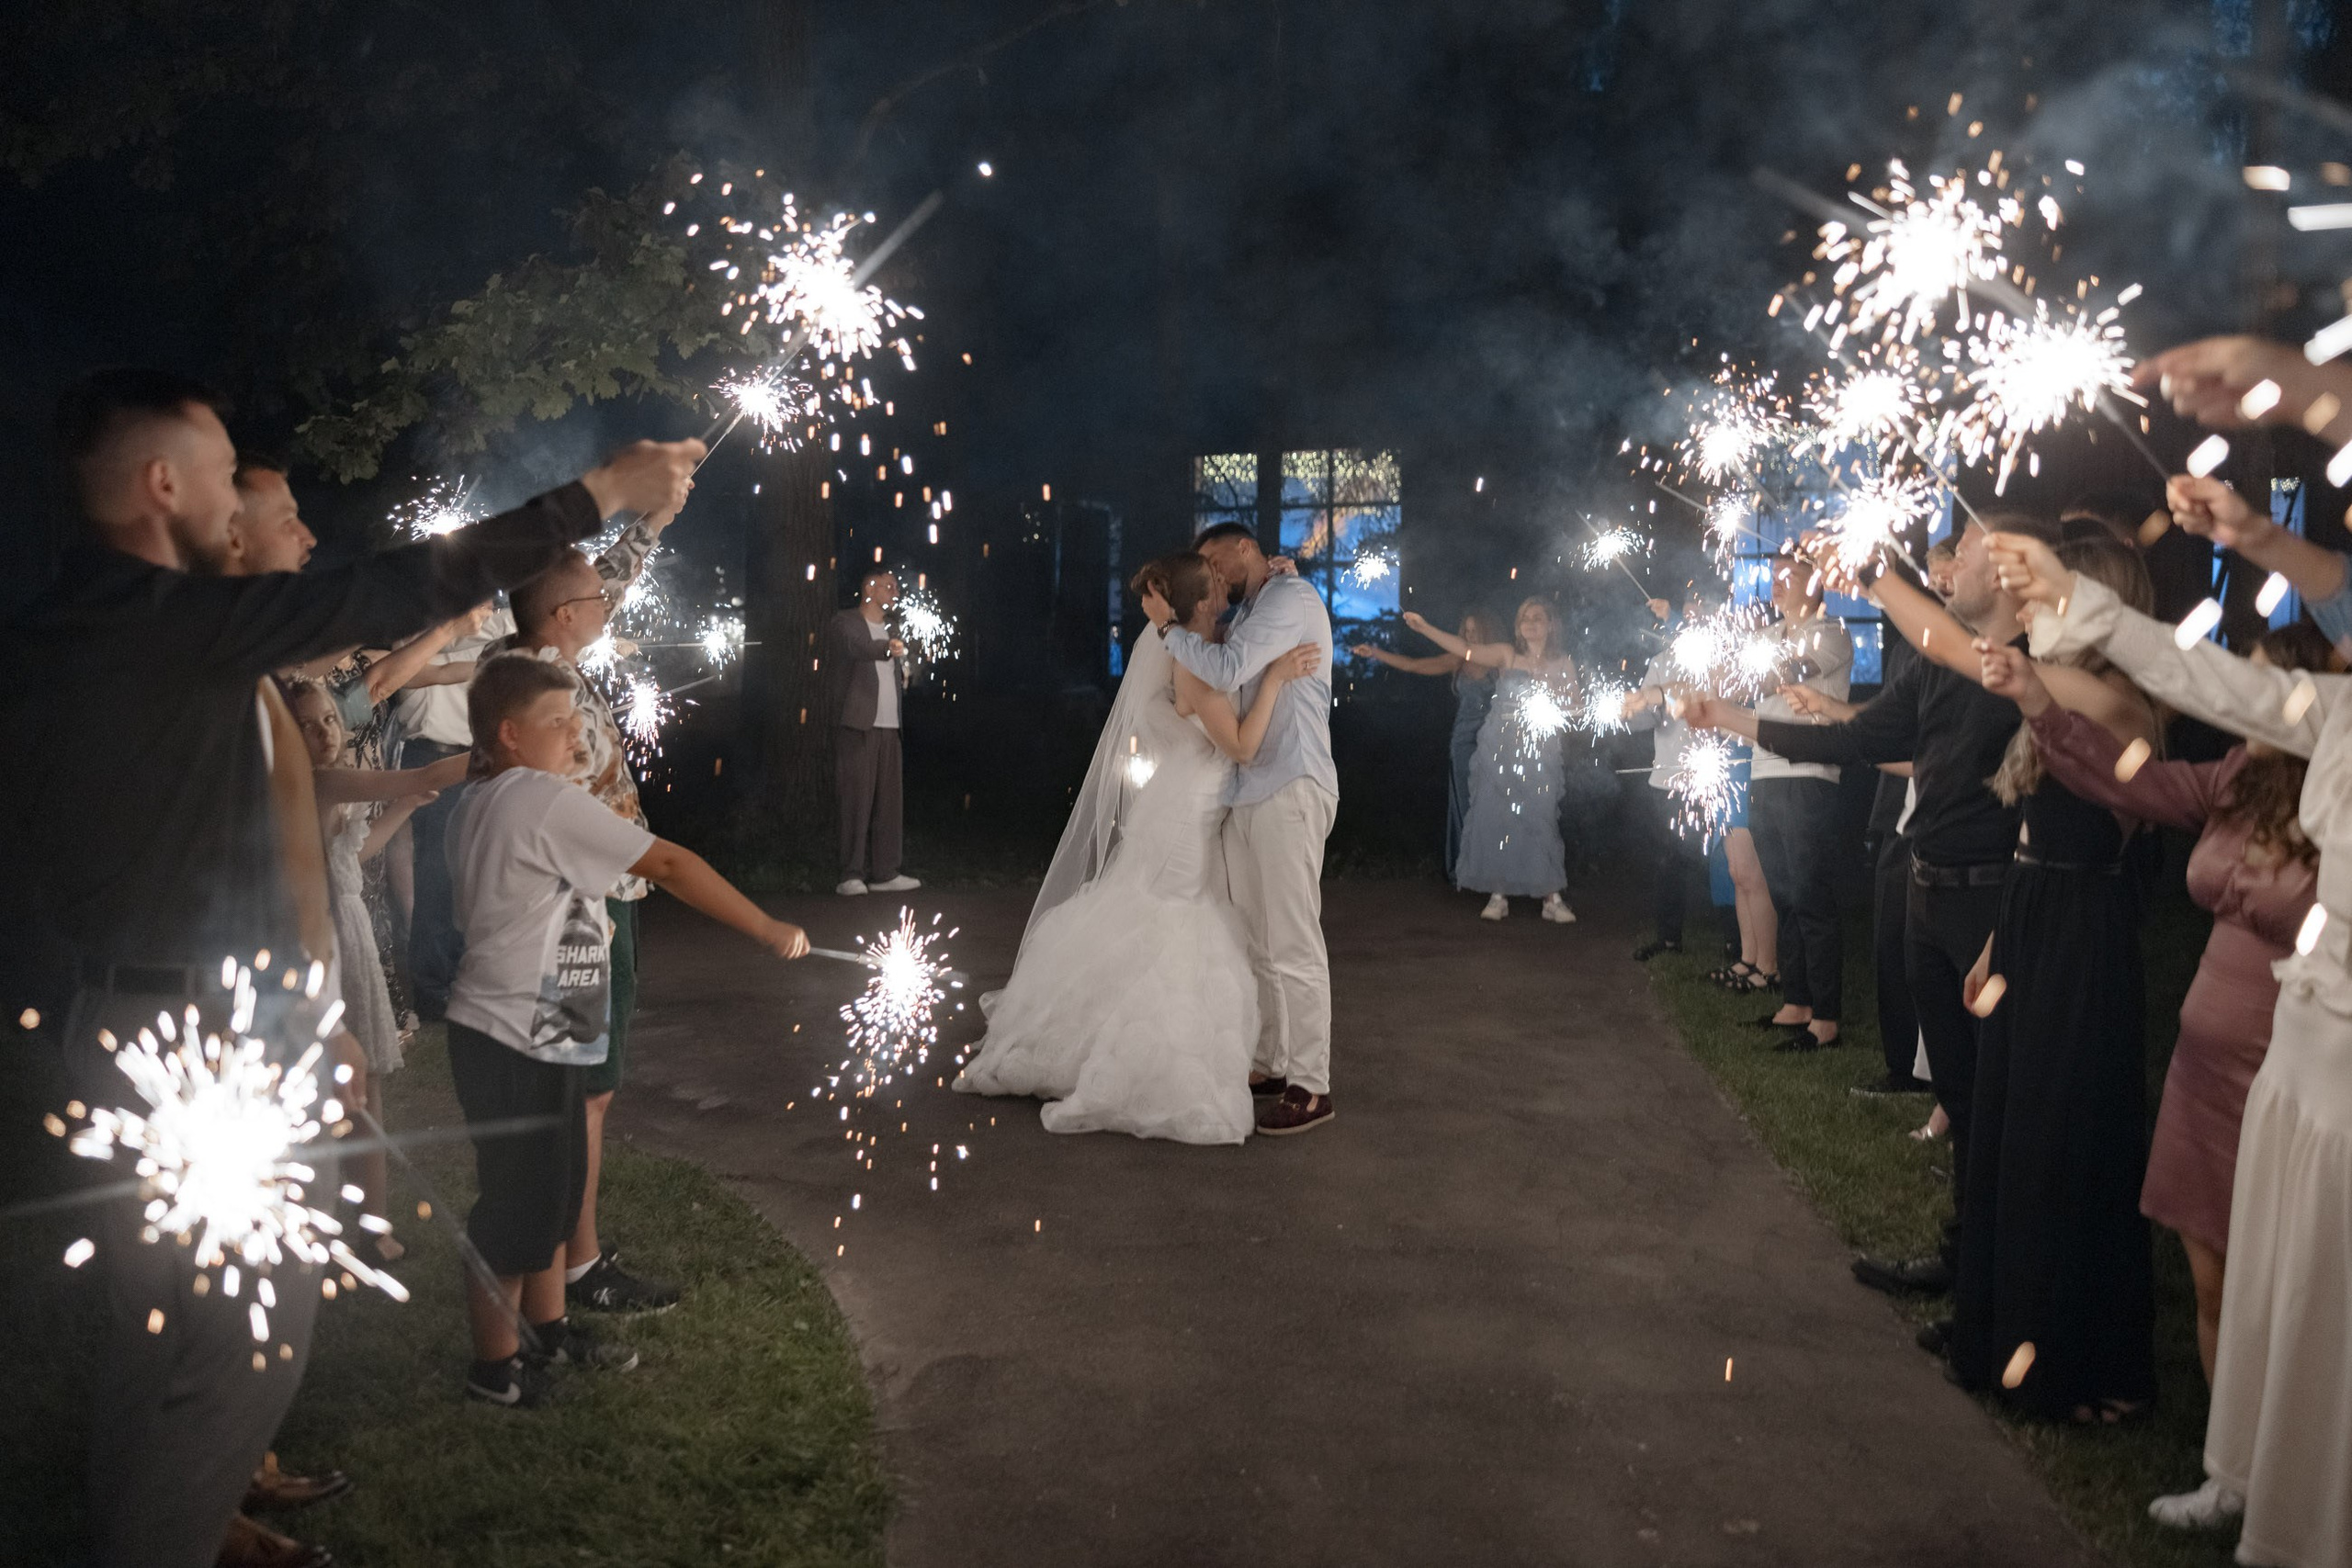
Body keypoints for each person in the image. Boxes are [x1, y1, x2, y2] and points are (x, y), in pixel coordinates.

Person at [0, 367, 699, 1568]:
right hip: (193, 1052)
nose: (239, 504)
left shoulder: (94, 626)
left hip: (164, 1019)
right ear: (161, 484)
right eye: (224, 478)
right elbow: (392, 589)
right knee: (239, 1337)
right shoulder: (148, 620)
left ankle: (178, 1514)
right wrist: (601, 493)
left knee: (172, 1333)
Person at [1992, 510, 2352, 1566]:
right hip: (2294, 1049)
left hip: (2336, 1073)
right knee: (2253, 1279)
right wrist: (2071, 606)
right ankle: (2234, 1471)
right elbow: (2203, 685)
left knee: (2314, 1299)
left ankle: (2305, 1515)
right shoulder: (2324, 713)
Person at [1683, 513, 2064, 1299]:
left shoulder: (2034, 663)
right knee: (1957, 1093)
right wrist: (1727, 719)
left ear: (2018, 569)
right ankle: (1966, 1263)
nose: (1954, 560)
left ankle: (2013, 1285)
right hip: (1927, 889)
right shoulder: (1931, 669)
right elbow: (1849, 740)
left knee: (2004, 1103)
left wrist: (1869, 572)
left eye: (1970, 548)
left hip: (1993, 899)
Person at [446, 655, 809, 1407]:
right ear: (510, 734)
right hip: (516, 1031)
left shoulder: (479, 801)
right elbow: (670, 863)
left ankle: (546, 1332)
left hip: (536, 1023)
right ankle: (494, 1371)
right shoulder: (541, 798)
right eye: (557, 721)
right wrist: (765, 926)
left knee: (553, 1189)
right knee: (514, 1207)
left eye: (574, 717)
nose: (575, 730)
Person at [2002, 621, 2325, 1439]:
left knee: (2283, 1282)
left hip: (2288, 1063)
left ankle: (2289, 1468)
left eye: (2255, 687)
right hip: (2202, 1069)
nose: (2235, 702)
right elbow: (2136, 785)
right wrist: (2043, 706)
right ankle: (2230, 1464)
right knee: (2209, 1277)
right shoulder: (2236, 779)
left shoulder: (2337, 801)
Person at [1894, 537, 2164, 1423]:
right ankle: (2001, 1333)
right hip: (2033, 915)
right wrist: (1996, 945)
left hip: (2082, 938)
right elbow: (2032, 832)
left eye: (2050, 593)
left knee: (2064, 1142)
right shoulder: (2052, 686)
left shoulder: (2115, 696)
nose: (2031, 606)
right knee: (2014, 1134)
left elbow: (1980, 661)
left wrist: (1873, 579)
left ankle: (2080, 1363)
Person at [958, 553, 1318, 1142]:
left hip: (1180, 804)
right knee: (1167, 921)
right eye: (1217, 586)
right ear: (1201, 602)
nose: (1227, 588)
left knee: (1151, 913)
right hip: (1186, 814)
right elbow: (1243, 748)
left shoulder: (1197, 646)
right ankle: (1121, 1058)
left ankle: (1087, 1037)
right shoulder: (1194, 665)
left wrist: (1277, 575)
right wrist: (1277, 678)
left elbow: (1232, 643)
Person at [495, 513, 683, 1315]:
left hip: (610, 896)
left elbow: (600, 579)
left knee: (592, 1090)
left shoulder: (558, 661)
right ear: (562, 614)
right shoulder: (542, 691)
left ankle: (574, 1259)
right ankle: (571, 1269)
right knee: (577, 1090)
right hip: (586, 908)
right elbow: (552, 803)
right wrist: (586, 907)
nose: (609, 599)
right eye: (593, 595)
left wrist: (653, 523)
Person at [1140, 522, 1339, 1136]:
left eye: (1213, 557)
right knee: (1258, 938)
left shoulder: (1289, 599)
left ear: (1245, 546)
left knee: (1294, 938)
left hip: (1290, 781)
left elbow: (1225, 669)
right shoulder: (1259, 603)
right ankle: (1272, 1061)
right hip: (1248, 790)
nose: (1210, 570)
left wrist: (1169, 627)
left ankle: (1312, 1083)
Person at [285, 679, 466, 1246]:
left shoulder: (327, 792)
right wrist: (490, 752)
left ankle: (368, 1225)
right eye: (309, 726)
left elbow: (352, 855)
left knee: (364, 1090)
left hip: (351, 936)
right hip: (328, 938)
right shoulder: (318, 782)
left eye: (330, 722)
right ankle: (355, 1226)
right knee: (348, 1090)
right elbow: (425, 773)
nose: (324, 734)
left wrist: (406, 808)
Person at [1404, 597, 1579, 924]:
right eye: (1525, 617)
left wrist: (1552, 701)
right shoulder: (1507, 655)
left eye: (1537, 617)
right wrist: (1425, 627)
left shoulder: (1563, 664)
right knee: (1497, 817)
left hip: (1539, 752)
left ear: (1550, 625)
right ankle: (1498, 895)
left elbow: (1576, 709)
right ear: (1518, 626)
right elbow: (1466, 650)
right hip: (1500, 748)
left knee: (1540, 819)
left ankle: (1551, 897)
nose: (1530, 623)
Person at [1745, 555, 1853, 1050]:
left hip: (1808, 775)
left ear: (1813, 583)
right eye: (1773, 579)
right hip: (1764, 772)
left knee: (1811, 894)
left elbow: (1788, 672)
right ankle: (1796, 1001)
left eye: (1786, 578)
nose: (1776, 587)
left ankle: (1826, 1016)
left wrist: (1749, 677)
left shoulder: (1829, 632)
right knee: (1784, 893)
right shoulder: (1764, 638)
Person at [1351, 609, 1498, 883]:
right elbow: (1413, 665)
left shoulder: (1500, 660)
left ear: (1487, 631)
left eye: (1475, 630)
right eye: (1466, 631)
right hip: (1464, 740)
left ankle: (1498, 869)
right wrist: (1375, 653)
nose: (1470, 635)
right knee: (1468, 804)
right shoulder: (1458, 660)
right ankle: (1472, 871)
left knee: (1495, 804)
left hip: (1496, 741)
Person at [1622, 586, 1711, 959]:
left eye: (1695, 613)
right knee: (1669, 860)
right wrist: (1630, 712)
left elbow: (1700, 697)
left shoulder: (1713, 660)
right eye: (1684, 614)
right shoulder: (1659, 661)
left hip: (1711, 776)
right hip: (1667, 775)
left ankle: (1733, 939)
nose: (1688, 620)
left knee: (1712, 859)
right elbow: (1648, 718)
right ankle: (1669, 938)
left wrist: (1659, 697)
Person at [826, 570, 922, 898]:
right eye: (888, 586)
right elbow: (858, 648)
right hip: (858, 725)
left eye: (895, 586)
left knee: (890, 803)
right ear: (868, 588)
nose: (894, 591)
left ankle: (886, 872)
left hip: (890, 727)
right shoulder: (845, 622)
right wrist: (886, 649)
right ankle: (850, 874)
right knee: (856, 800)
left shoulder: (894, 629)